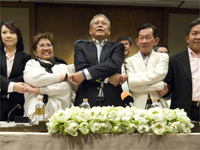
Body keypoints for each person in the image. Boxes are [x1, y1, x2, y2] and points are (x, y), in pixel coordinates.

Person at [73, 14, 125, 107]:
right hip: (86, 97)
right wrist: (107, 78)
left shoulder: (118, 46)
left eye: (103, 23)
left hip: (112, 97)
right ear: (90, 31)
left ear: (109, 31)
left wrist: (85, 74)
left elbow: (113, 65)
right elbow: (80, 68)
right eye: (96, 23)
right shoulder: (80, 46)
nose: (100, 25)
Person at [23, 32, 77, 121]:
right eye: (41, 45)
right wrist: (62, 77)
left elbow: (65, 88)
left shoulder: (62, 67)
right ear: (35, 51)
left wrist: (37, 90)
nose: (46, 48)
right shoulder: (31, 64)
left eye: (49, 45)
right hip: (34, 116)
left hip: (60, 117)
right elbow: (36, 79)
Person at [160, 18, 200, 121]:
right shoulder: (175, 60)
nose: (198, 37)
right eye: (194, 33)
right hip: (183, 112)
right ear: (187, 38)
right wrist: (165, 89)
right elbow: (168, 85)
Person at [125, 23, 169, 109]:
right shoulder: (129, 61)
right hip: (137, 106)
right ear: (137, 41)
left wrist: (136, 81)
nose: (144, 41)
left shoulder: (163, 57)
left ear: (156, 41)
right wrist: (159, 85)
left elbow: (160, 74)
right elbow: (132, 86)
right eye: (141, 38)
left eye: (148, 38)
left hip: (159, 105)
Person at [0, 20, 31, 121]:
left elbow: (24, 78)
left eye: (12, 32)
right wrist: (13, 86)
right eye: (4, 32)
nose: (8, 36)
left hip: (17, 105)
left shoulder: (26, 58)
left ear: (18, 36)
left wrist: (3, 85)